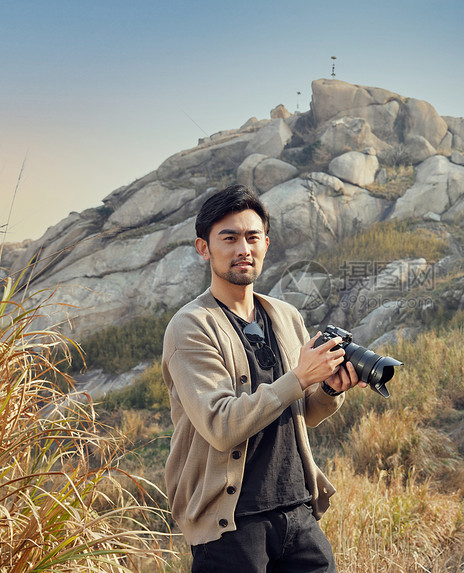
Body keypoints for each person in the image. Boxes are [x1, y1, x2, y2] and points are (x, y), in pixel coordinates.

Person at [162, 184, 364, 572]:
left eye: (252, 237)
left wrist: (326, 389)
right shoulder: (190, 327)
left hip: (297, 511)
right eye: (230, 238)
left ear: (266, 243)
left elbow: (301, 413)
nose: (244, 249)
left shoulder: (285, 316)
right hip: (231, 527)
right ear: (204, 248)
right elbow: (221, 425)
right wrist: (299, 376)